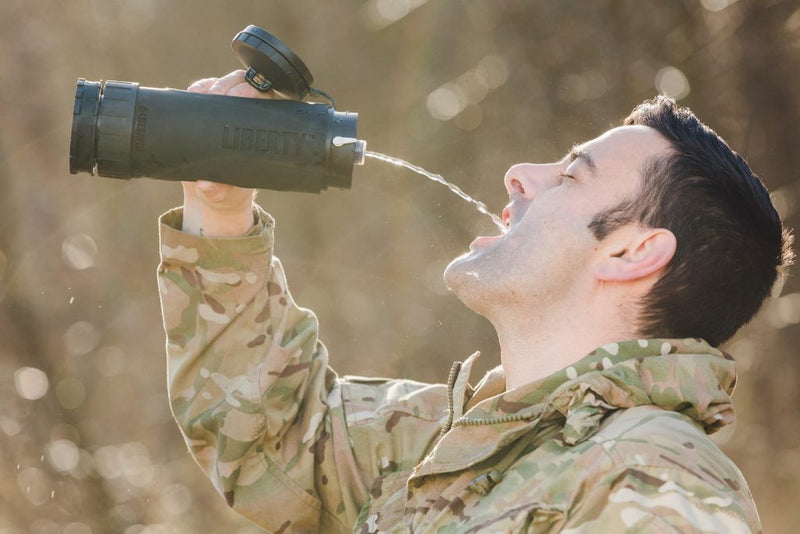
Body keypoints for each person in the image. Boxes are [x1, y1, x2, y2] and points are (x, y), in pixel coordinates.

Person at [157, 70, 792, 533]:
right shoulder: (454, 439)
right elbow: (273, 437)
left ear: (630, 252)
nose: (520, 173)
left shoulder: (651, 479)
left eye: (572, 175)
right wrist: (220, 208)